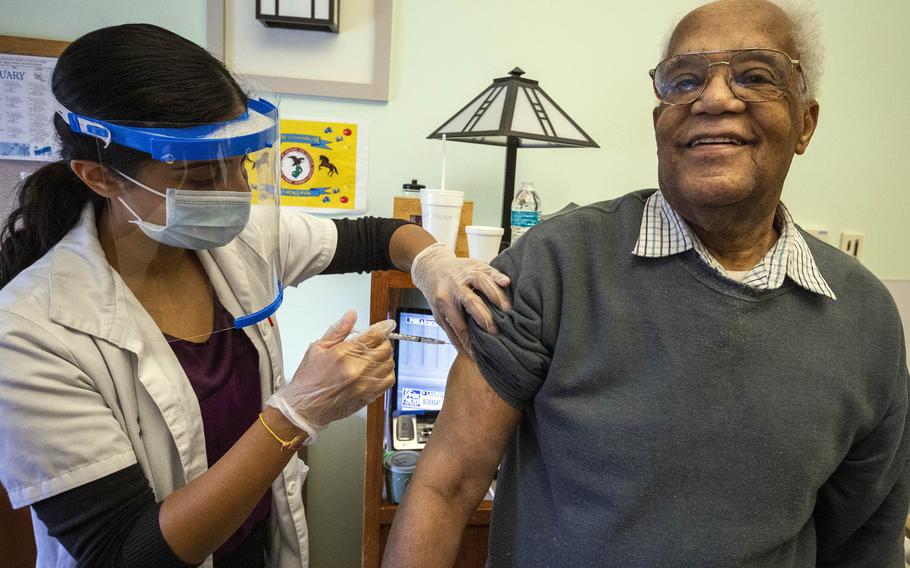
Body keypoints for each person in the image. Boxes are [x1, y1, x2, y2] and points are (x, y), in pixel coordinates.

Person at [384, 0, 910, 566]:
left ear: (805, 123)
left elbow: (862, 542)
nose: (714, 98)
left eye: (756, 76)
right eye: (684, 80)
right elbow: (447, 486)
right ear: (660, 121)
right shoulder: (556, 266)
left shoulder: (865, 320)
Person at [0, 24, 510, 568]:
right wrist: (295, 414)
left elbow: (378, 236)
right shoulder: (30, 333)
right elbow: (125, 552)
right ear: (100, 177)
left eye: (241, 165)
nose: (236, 195)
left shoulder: (239, 241)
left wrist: (433, 263)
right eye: (200, 179)